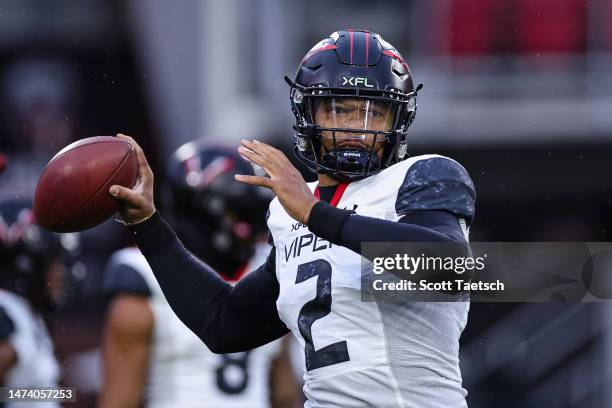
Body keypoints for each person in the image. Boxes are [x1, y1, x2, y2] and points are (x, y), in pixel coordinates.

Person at [109, 29, 476, 407]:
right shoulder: (288, 217)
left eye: (374, 112)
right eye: (338, 108)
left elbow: (448, 268)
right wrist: (147, 223)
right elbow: (222, 325)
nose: (354, 127)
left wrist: (316, 213)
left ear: (398, 120)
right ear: (307, 112)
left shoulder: (423, 176)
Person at [99, 143, 300, 408]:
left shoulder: (270, 267)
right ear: (208, 212)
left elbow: (283, 392)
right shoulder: (141, 278)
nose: (256, 231)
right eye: (244, 216)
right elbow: (120, 401)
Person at [0, 194, 80, 407]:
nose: (61, 273)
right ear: (27, 265)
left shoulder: (26, 312)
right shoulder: (6, 311)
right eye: (53, 263)